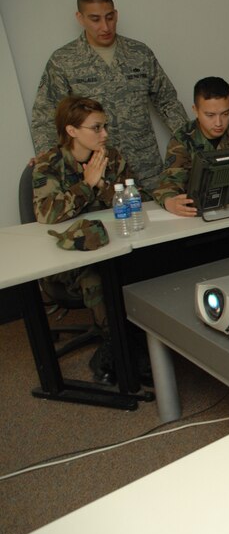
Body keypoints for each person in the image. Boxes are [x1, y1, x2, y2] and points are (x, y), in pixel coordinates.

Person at [31, 0, 187, 194]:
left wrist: (191, 146)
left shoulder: (139, 53)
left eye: (110, 17)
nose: (105, 26)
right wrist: (48, 161)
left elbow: (168, 102)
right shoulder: (63, 61)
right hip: (99, 173)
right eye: (95, 19)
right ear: (80, 18)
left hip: (146, 168)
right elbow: (46, 116)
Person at [32, 96, 134, 384]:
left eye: (105, 126)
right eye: (97, 128)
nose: (105, 134)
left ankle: (135, 341)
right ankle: (115, 348)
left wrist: (101, 184)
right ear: (72, 131)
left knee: (145, 265)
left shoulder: (112, 157)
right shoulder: (48, 165)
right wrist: (86, 184)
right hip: (68, 256)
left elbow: (136, 201)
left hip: (113, 244)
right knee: (98, 278)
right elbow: (47, 214)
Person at [152, 77, 229, 216]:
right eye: (210, 115)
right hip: (200, 216)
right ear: (195, 110)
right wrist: (170, 202)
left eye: (225, 114)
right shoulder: (183, 139)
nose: (219, 123)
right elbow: (169, 182)